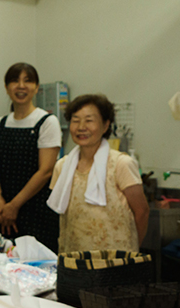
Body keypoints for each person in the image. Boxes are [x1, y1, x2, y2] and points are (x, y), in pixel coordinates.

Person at [46, 94, 149, 253]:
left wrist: (131, 250)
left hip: (116, 261)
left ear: (105, 125)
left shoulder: (121, 164)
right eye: (75, 120)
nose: (81, 127)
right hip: (74, 259)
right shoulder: (62, 166)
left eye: (89, 120)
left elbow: (142, 212)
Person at [0, 63, 62, 252]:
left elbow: (45, 171)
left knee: (35, 264)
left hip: (36, 210)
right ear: (6, 87)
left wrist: (14, 206)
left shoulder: (47, 122)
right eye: (15, 80)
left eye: (28, 81)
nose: (21, 86)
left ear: (36, 87)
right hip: (2, 211)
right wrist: (1, 204)